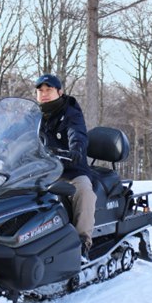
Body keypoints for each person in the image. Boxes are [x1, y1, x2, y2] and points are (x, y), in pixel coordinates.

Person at [35, 73, 96, 262]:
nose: (44, 94)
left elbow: (77, 133)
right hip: (40, 171)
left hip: (70, 169)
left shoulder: (71, 112)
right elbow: (16, 134)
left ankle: (82, 242)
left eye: (49, 89)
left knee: (84, 190)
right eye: (40, 90)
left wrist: (75, 150)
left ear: (59, 92)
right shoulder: (33, 115)